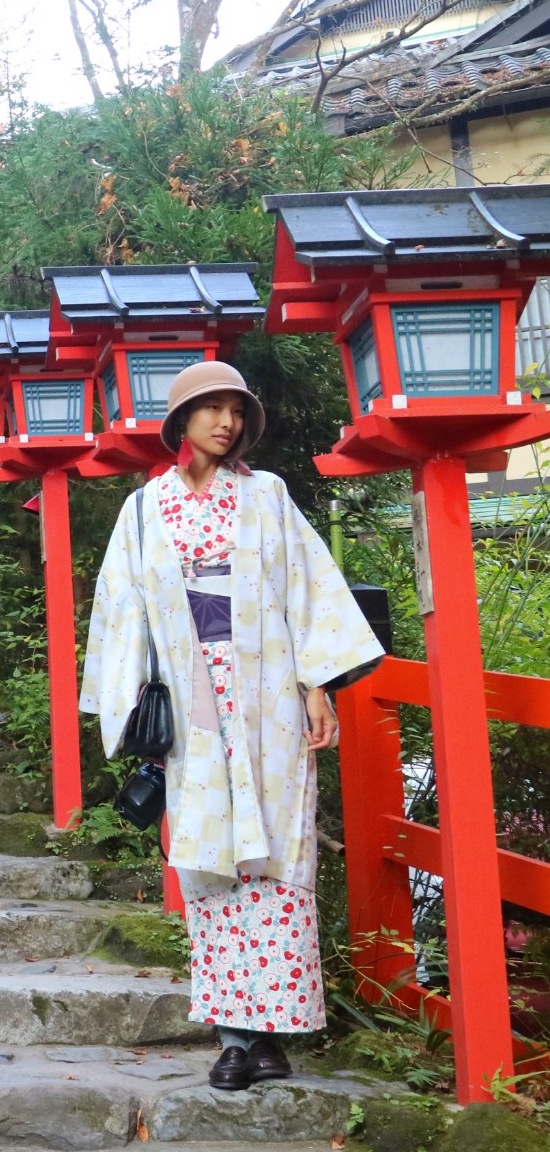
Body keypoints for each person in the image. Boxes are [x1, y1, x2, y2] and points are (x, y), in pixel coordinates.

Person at [81, 361, 382, 1093]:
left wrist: (318, 685)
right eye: (210, 409)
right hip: (192, 703)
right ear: (179, 423)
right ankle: (231, 1034)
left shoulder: (268, 496)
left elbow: (306, 592)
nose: (226, 421)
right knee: (212, 859)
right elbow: (121, 610)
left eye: (235, 410)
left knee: (279, 856)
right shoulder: (145, 509)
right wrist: (129, 701)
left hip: (269, 690)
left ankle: (274, 1034)